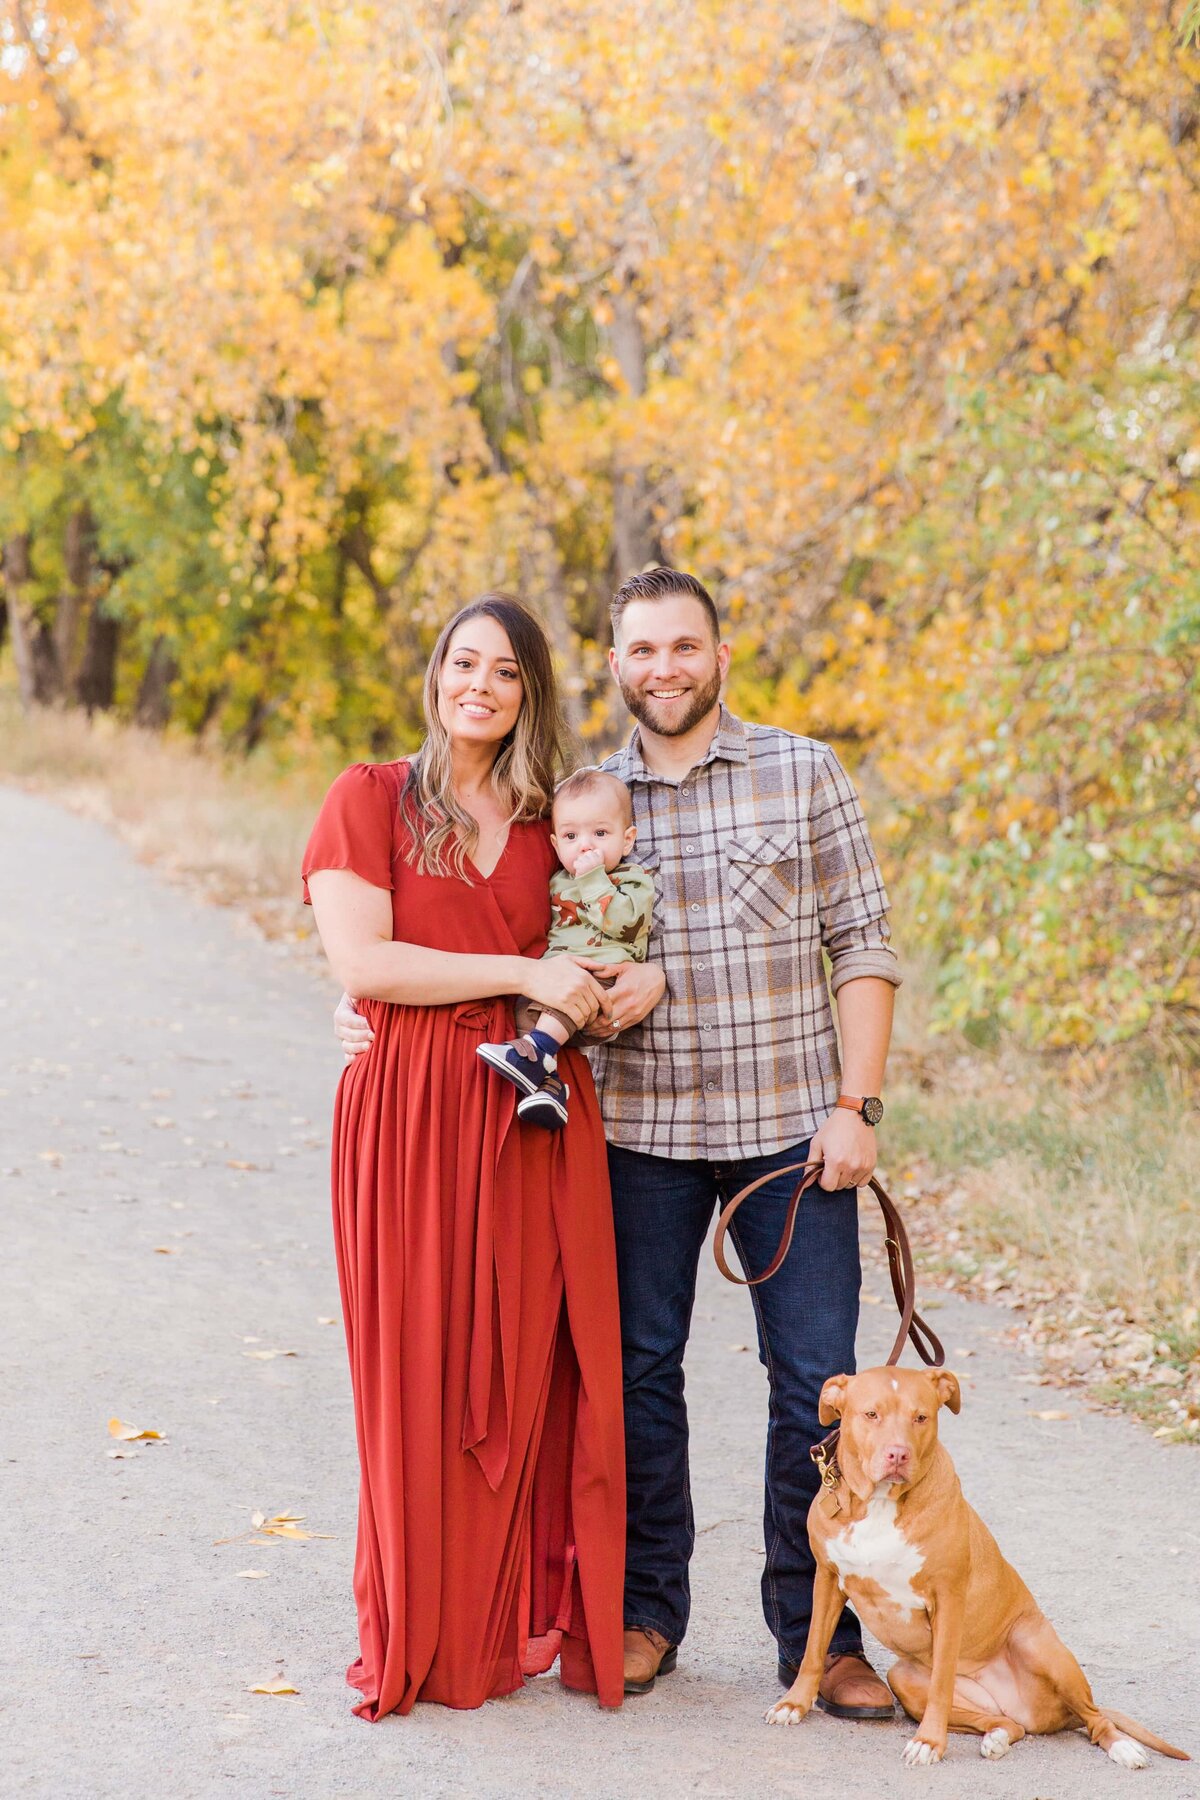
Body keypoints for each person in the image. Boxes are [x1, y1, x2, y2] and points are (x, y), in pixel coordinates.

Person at [336, 567, 901, 1716]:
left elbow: (867, 943)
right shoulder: (575, 798)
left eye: (684, 647)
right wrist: (357, 1007)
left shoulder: (802, 772)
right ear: (612, 665)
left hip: (789, 1130)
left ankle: (821, 1639)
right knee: (633, 1379)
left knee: (816, 1388)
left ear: (719, 654)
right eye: (643, 651)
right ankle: (645, 1614)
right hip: (635, 1135)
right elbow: (474, 930)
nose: (665, 669)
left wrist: (859, 1104)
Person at [303, 593, 640, 1720]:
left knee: (531, 1372)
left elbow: (610, 947)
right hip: (406, 1112)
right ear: (435, 671)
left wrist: (623, 984)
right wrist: (521, 978)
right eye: (463, 663)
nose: (480, 687)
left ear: (531, 691)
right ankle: (423, 1632)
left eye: (505, 672)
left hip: (533, 1115)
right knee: (420, 1370)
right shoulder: (373, 798)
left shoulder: (557, 822)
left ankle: (507, 1622)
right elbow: (365, 961)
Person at [476, 767, 657, 1131]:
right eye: (572, 836)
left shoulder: (632, 880)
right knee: (521, 1013)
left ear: (627, 839)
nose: (586, 845)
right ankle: (550, 1089)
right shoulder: (559, 879)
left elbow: (623, 922)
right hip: (556, 982)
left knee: (564, 999)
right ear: (556, 844)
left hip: (602, 979)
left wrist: (592, 880)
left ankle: (535, 1053)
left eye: (600, 833)